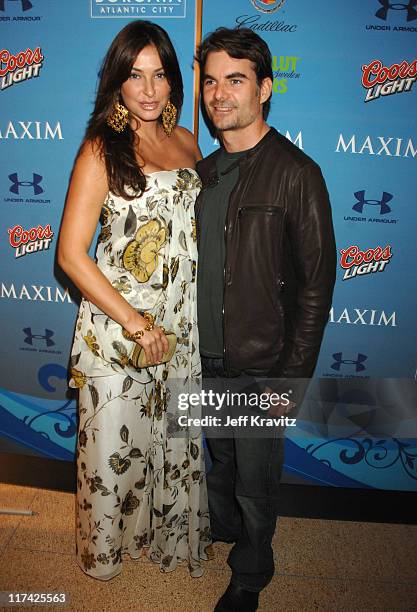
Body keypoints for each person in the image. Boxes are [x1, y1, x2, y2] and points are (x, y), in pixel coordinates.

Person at [58, 20, 211, 581]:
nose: (148, 89)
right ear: (117, 84)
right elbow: (72, 255)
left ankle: (161, 539)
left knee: (168, 440)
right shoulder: (102, 148)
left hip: (180, 326)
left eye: (159, 75)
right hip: (120, 328)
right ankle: (105, 555)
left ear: (173, 82)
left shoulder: (189, 142)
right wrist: (136, 322)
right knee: (113, 455)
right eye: (134, 75)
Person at [195, 27, 336, 611]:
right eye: (210, 81)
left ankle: (252, 572)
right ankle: (226, 533)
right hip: (203, 357)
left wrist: (291, 380)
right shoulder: (199, 175)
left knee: (257, 480)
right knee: (220, 459)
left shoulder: (297, 173)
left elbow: (315, 286)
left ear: (265, 88)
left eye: (235, 80)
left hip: (262, 366)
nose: (219, 94)